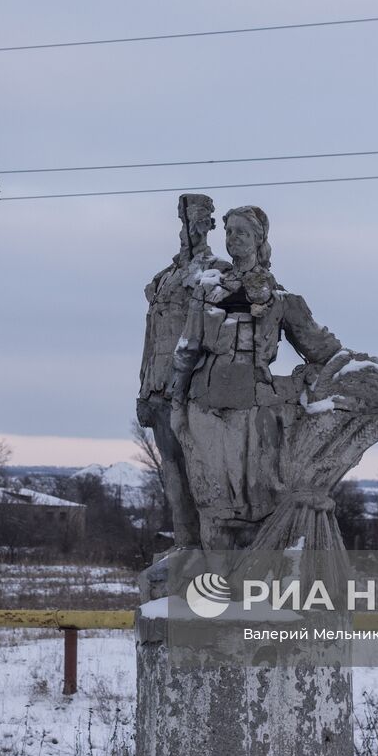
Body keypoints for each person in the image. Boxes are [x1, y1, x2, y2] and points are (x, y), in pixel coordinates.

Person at [170, 205, 350, 550]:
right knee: (213, 503)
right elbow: (186, 349)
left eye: (242, 232)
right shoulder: (207, 291)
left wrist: (350, 368)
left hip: (252, 409)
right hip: (205, 407)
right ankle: (214, 586)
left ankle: (253, 584)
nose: (232, 239)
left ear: (259, 240)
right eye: (229, 232)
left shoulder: (280, 299)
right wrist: (177, 402)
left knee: (256, 503)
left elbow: (319, 346)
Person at [137, 194, 230, 549]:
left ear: (209, 223)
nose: (191, 227)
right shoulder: (164, 277)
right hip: (159, 385)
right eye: (186, 219)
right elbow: (151, 334)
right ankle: (186, 544)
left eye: (199, 219)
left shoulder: (215, 272)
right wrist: (144, 387)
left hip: (194, 388)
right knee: (173, 472)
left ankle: (211, 549)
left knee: (201, 474)